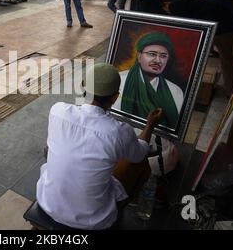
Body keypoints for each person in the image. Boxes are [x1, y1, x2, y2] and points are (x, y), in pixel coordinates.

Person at [36, 63, 164, 230]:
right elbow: (140, 153)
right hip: (92, 221)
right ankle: (133, 203)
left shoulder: (57, 110)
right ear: (115, 97)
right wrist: (150, 125)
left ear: (83, 86)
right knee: (141, 163)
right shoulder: (119, 131)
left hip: (47, 202)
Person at [160, 0, 233, 96]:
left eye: (165, 10)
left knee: (197, 57)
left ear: (166, 3)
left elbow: (184, 29)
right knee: (226, 58)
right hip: (230, 25)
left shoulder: (175, 5)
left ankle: (188, 87)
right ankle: (230, 91)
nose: (168, 12)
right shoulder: (188, 0)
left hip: (221, 29)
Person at [115, 32, 184, 129]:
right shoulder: (119, 80)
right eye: (152, 54)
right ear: (139, 56)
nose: (158, 61)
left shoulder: (175, 91)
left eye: (163, 56)